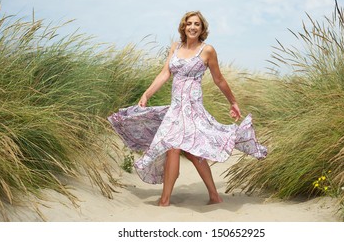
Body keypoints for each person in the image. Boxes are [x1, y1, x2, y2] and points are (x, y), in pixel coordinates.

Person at [108, 11, 267, 206]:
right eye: (189, 23)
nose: (193, 27)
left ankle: (210, 196)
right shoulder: (175, 47)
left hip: (193, 108)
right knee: (173, 148)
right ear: (183, 26)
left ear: (202, 29)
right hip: (176, 109)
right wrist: (146, 94)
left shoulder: (207, 50)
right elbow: (165, 73)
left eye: (197, 24)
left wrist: (232, 101)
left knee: (193, 152)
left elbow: (219, 79)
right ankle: (166, 199)